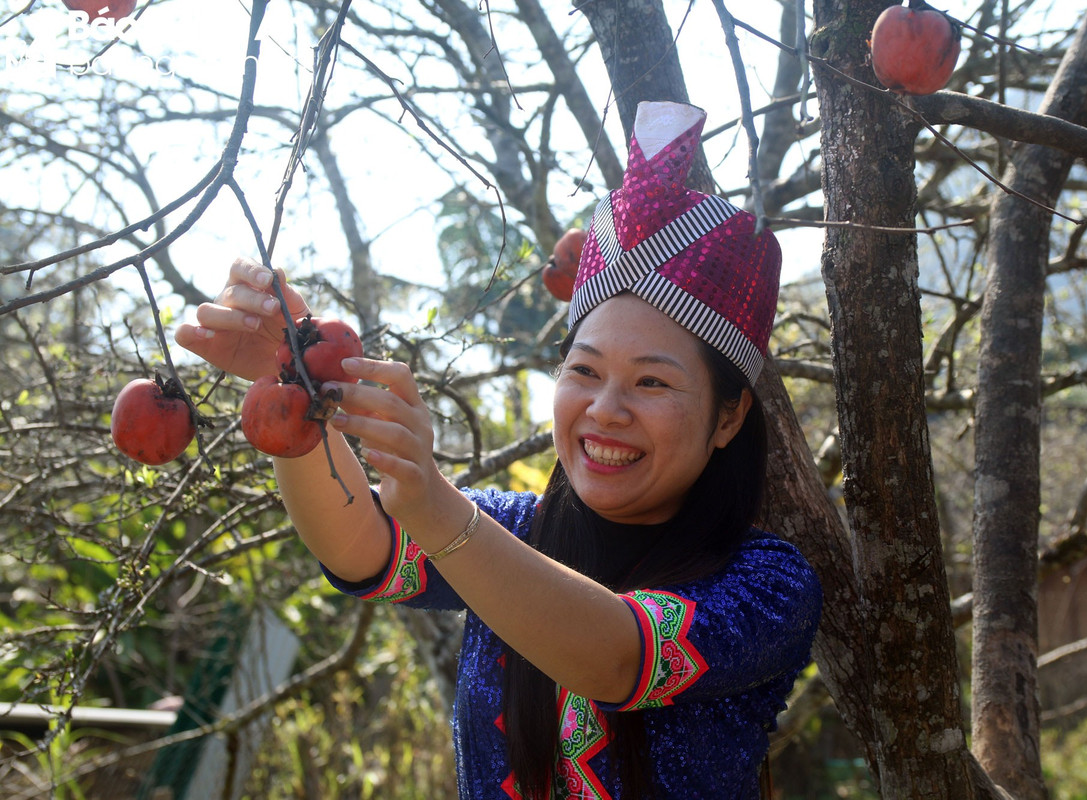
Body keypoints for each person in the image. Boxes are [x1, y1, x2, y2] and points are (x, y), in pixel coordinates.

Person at [176, 101, 822, 799]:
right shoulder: (513, 532)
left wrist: (434, 504)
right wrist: (295, 385)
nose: (605, 410)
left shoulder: (768, 585)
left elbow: (616, 658)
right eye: (584, 371)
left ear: (729, 417)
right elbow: (354, 544)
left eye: (653, 382)